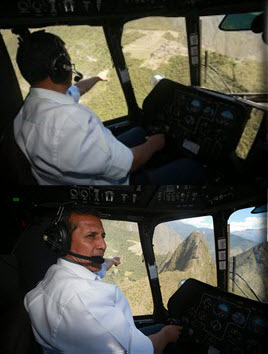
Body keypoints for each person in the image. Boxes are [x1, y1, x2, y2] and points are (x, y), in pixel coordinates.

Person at [14, 30, 207, 185]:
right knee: (192, 167)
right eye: (66, 61)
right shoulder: (72, 122)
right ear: (61, 66)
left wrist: (98, 77)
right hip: (115, 184)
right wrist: (155, 144)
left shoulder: (29, 109)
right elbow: (130, 163)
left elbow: (76, 89)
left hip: (65, 181)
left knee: (139, 131)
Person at [24, 205, 182, 354]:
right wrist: (166, 335)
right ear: (62, 241)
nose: (103, 244)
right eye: (91, 236)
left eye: (102, 236)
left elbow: (100, 267)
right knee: (165, 329)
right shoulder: (86, 301)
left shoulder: (56, 274)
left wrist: (112, 261)